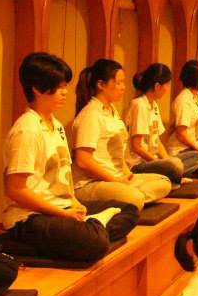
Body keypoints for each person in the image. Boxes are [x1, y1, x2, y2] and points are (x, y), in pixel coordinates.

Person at [1, 53, 138, 263]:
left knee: (129, 210)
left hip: (62, 207)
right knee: (95, 243)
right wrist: (62, 213)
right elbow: (15, 190)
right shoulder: (27, 129)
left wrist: (74, 203)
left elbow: (64, 178)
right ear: (37, 89)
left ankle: (88, 228)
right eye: (59, 87)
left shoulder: (55, 125)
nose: (65, 92)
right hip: (30, 217)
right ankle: (24, 241)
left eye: (65, 86)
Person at [72, 59, 171, 209]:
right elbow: (83, 161)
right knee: (135, 198)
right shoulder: (91, 115)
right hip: (92, 182)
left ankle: (127, 199)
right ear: (101, 85)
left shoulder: (112, 110)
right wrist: (115, 180)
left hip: (117, 177)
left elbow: (118, 154)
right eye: (118, 83)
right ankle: (130, 199)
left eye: (123, 83)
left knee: (164, 182)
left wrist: (127, 175)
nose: (123, 87)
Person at [126, 63, 198, 183]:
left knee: (197, 157)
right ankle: (172, 177)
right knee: (175, 165)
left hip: (153, 161)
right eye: (167, 85)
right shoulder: (139, 105)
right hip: (138, 164)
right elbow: (137, 147)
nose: (167, 89)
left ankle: (170, 176)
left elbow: (157, 143)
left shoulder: (154, 105)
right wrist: (160, 162)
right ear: (157, 86)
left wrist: (167, 160)